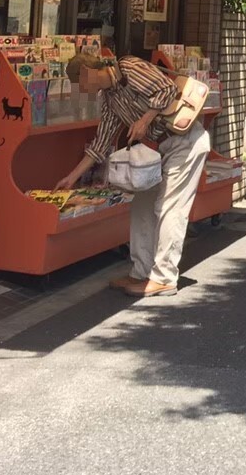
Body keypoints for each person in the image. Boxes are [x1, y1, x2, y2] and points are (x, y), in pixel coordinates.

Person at [56, 53, 208, 298]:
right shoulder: (109, 98)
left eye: (80, 84)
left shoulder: (129, 68)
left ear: (87, 71)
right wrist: (71, 177)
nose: (82, 90)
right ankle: (140, 271)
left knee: (169, 207)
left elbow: (166, 90)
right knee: (141, 205)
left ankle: (165, 277)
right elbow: (101, 143)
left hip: (185, 142)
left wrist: (144, 120)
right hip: (156, 151)